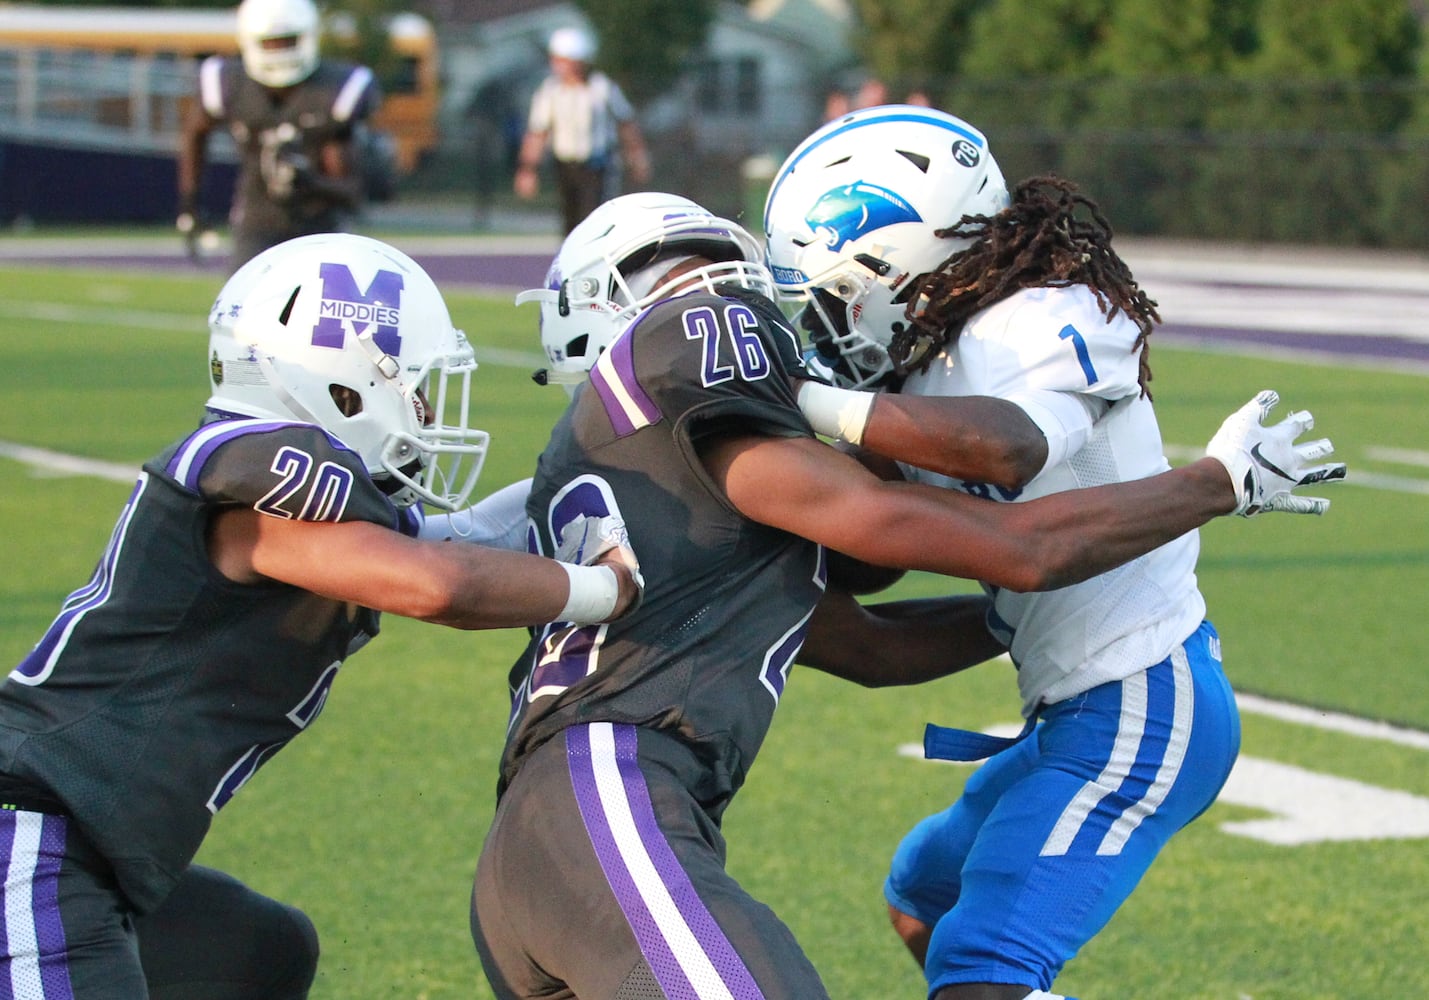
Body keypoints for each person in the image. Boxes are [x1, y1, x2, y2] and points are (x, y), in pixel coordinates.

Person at [469, 191, 1343, 1000]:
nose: (778, 319)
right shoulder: (739, 450)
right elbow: (1005, 542)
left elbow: (865, 642)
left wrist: (1009, 615)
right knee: (957, 953)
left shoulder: (656, 495)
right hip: (611, 788)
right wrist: (1215, 483)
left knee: (927, 903)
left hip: (555, 824)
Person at [762, 104, 1344, 1000]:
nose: (826, 320)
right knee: (922, 896)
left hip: (1141, 696)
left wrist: (815, 406)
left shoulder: (1045, 313)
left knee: (983, 973)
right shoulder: (923, 369)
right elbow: (872, 561)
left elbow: (1008, 447)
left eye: (834, 291)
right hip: (1072, 703)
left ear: (893, 261)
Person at [0, 233, 643, 999]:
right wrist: (603, 590)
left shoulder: (295, 500)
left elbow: (462, 540)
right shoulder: (252, 481)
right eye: (412, 381)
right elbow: (439, 585)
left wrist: (603, 475)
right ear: (343, 382)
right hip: (31, 836)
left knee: (256, 951)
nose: (427, 408)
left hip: (93, 851)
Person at [176, 0, 382, 273]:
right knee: (244, 308)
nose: (280, 50)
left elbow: (352, 191)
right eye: (271, 42)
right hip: (256, 222)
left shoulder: (335, 91)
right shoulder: (230, 85)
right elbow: (195, 134)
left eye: (288, 40)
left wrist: (310, 182)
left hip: (320, 226)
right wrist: (189, 205)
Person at [512, 26, 652, 235]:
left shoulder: (602, 88)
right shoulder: (550, 91)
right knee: (570, 220)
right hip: (565, 165)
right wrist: (528, 169)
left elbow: (626, 124)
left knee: (595, 218)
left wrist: (638, 156)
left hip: (597, 165)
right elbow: (538, 132)